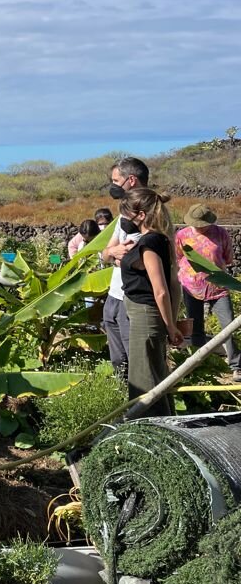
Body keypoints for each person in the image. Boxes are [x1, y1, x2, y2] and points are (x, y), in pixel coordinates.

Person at [119, 188, 184, 417]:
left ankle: (150, 433)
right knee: (154, 375)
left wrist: (170, 326)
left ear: (141, 215)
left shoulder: (150, 242)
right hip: (142, 315)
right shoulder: (154, 240)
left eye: (127, 215)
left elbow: (161, 291)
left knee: (144, 382)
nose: (125, 220)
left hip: (146, 317)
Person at [175, 204, 241, 382]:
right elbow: (178, 257)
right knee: (196, 329)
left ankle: (236, 365)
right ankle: (199, 364)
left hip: (218, 286)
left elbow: (228, 257)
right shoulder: (182, 235)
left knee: (228, 326)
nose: (200, 227)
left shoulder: (220, 234)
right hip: (191, 286)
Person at [100, 157, 150, 374]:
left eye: (116, 180)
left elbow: (136, 259)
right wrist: (113, 252)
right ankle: (124, 402)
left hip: (132, 296)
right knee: (118, 360)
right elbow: (106, 253)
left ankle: (141, 404)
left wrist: (118, 255)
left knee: (136, 360)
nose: (113, 186)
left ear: (131, 180)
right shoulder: (122, 214)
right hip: (114, 294)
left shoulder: (150, 213)